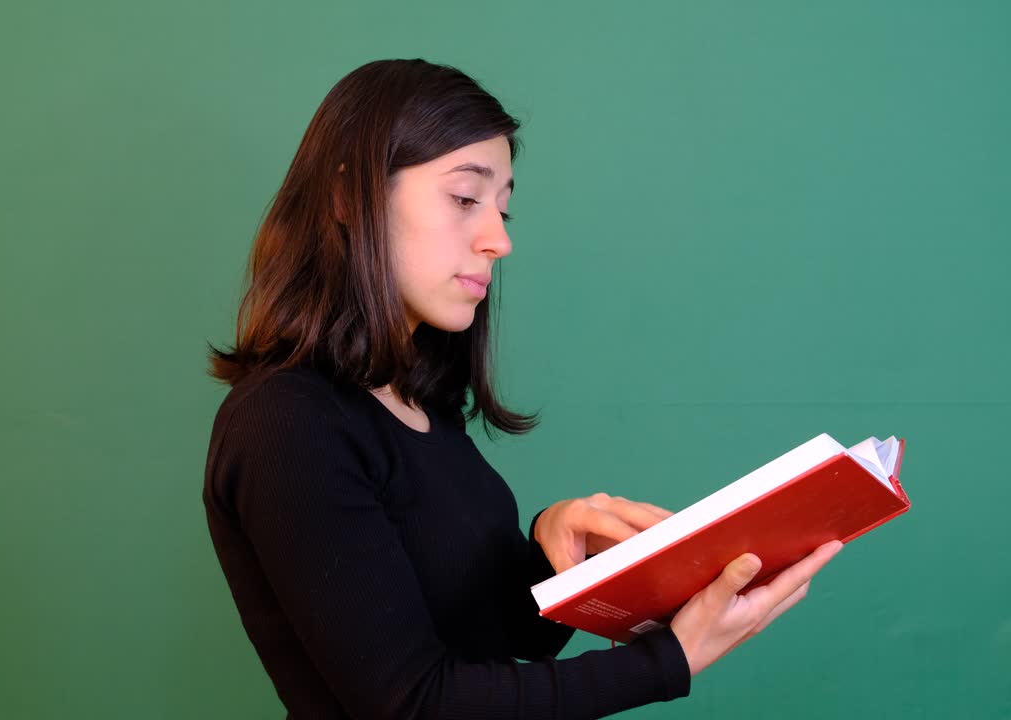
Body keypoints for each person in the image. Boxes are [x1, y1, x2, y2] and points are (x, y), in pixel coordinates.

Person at [201, 58, 844, 719]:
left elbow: (503, 639)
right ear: (346, 197)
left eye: (504, 208)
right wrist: (670, 658)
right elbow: (415, 704)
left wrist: (554, 550)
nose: (499, 239)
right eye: (464, 199)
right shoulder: (285, 423)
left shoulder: (422, 405)